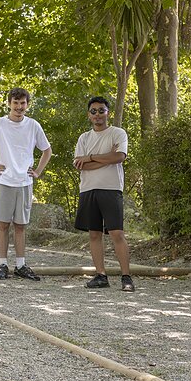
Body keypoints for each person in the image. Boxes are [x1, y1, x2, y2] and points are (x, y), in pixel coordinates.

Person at [0, 87, 53, 281]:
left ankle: (21, 265)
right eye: (15, 103)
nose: (19, 107)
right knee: (3, 225)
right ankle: (3, 264)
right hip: (4, 181)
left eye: (22, 103)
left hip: (24, 182)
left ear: (27, 105)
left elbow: (47, 150)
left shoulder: (33, 125)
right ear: (9, 104)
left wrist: (38, 171)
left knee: (21, 226)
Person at [72, 96, 135, 291]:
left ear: (108, 113)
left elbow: (118, 157)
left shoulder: (117, 133)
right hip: (88, 189)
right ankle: (101, 275)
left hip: (111, 189)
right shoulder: (84, 138)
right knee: (94, 234)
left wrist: (90, 157)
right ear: (88, 114)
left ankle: (126, 277)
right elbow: (79, 165)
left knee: (116, 232)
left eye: (101, 110)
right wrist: (104, 158)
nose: (97, 114)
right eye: (94, 111)